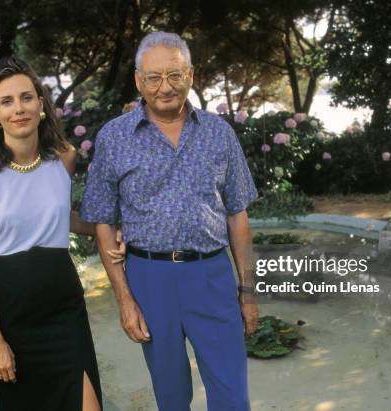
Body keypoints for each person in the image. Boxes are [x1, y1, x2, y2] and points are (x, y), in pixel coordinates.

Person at [80, 32, 259, 411]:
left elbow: (237, 215)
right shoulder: (114, 138)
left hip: (211, 275)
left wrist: (247, 292)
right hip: (149, 279)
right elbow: (103, 224)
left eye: (175, 75)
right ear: (137, 80)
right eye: (154, 77)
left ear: (191, 75)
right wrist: (124, 298)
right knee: (172, 397)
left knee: (232, 397)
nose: (165, 87)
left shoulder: (219, 133)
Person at [0, 56, 124, 411]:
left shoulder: (64, 158)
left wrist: (108, 230)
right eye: (7, 101)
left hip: (65, 307)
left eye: (26, 97)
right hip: (13, 314)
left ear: (41, 105)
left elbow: (62, 218)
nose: (18, 108)